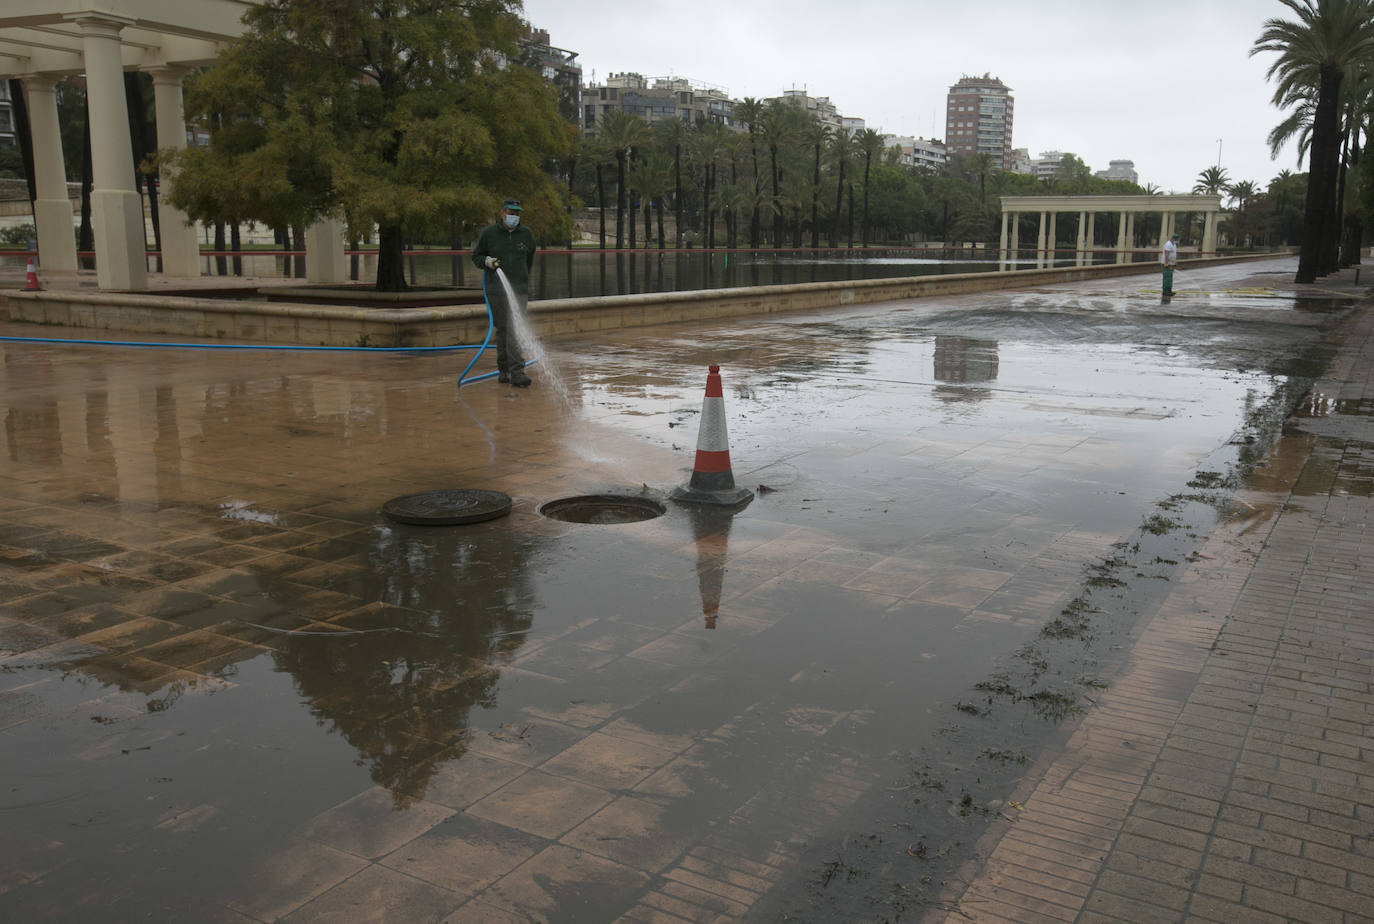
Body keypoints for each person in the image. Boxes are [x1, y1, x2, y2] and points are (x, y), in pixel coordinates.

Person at [472, 198, 537, 387]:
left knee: (514, 329)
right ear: (502, 213)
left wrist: (522, 279)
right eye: (511, 213)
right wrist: (487, 262)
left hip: (519, 290)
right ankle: (503, 369)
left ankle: (518, 372)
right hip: (496, 290)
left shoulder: (526, 234)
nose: (514, 216)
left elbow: (529, 259)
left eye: (517, 213)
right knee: (503, 329)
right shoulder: (489, 234)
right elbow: (477, 256)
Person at [1160, 231, 1179, 297]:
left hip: (1171, 264)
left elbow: (1173, 254)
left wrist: (1174, 262)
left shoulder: (1174, 244)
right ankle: (1165, 292)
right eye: (1176, 239)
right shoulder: (1168, 244)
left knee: (1170, 278)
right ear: (1173, 238)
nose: (1176, 241)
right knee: (1166, 278)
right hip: (1166, 263)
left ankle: (1169, 291)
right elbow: (1166, 254)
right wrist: (1166, 263)